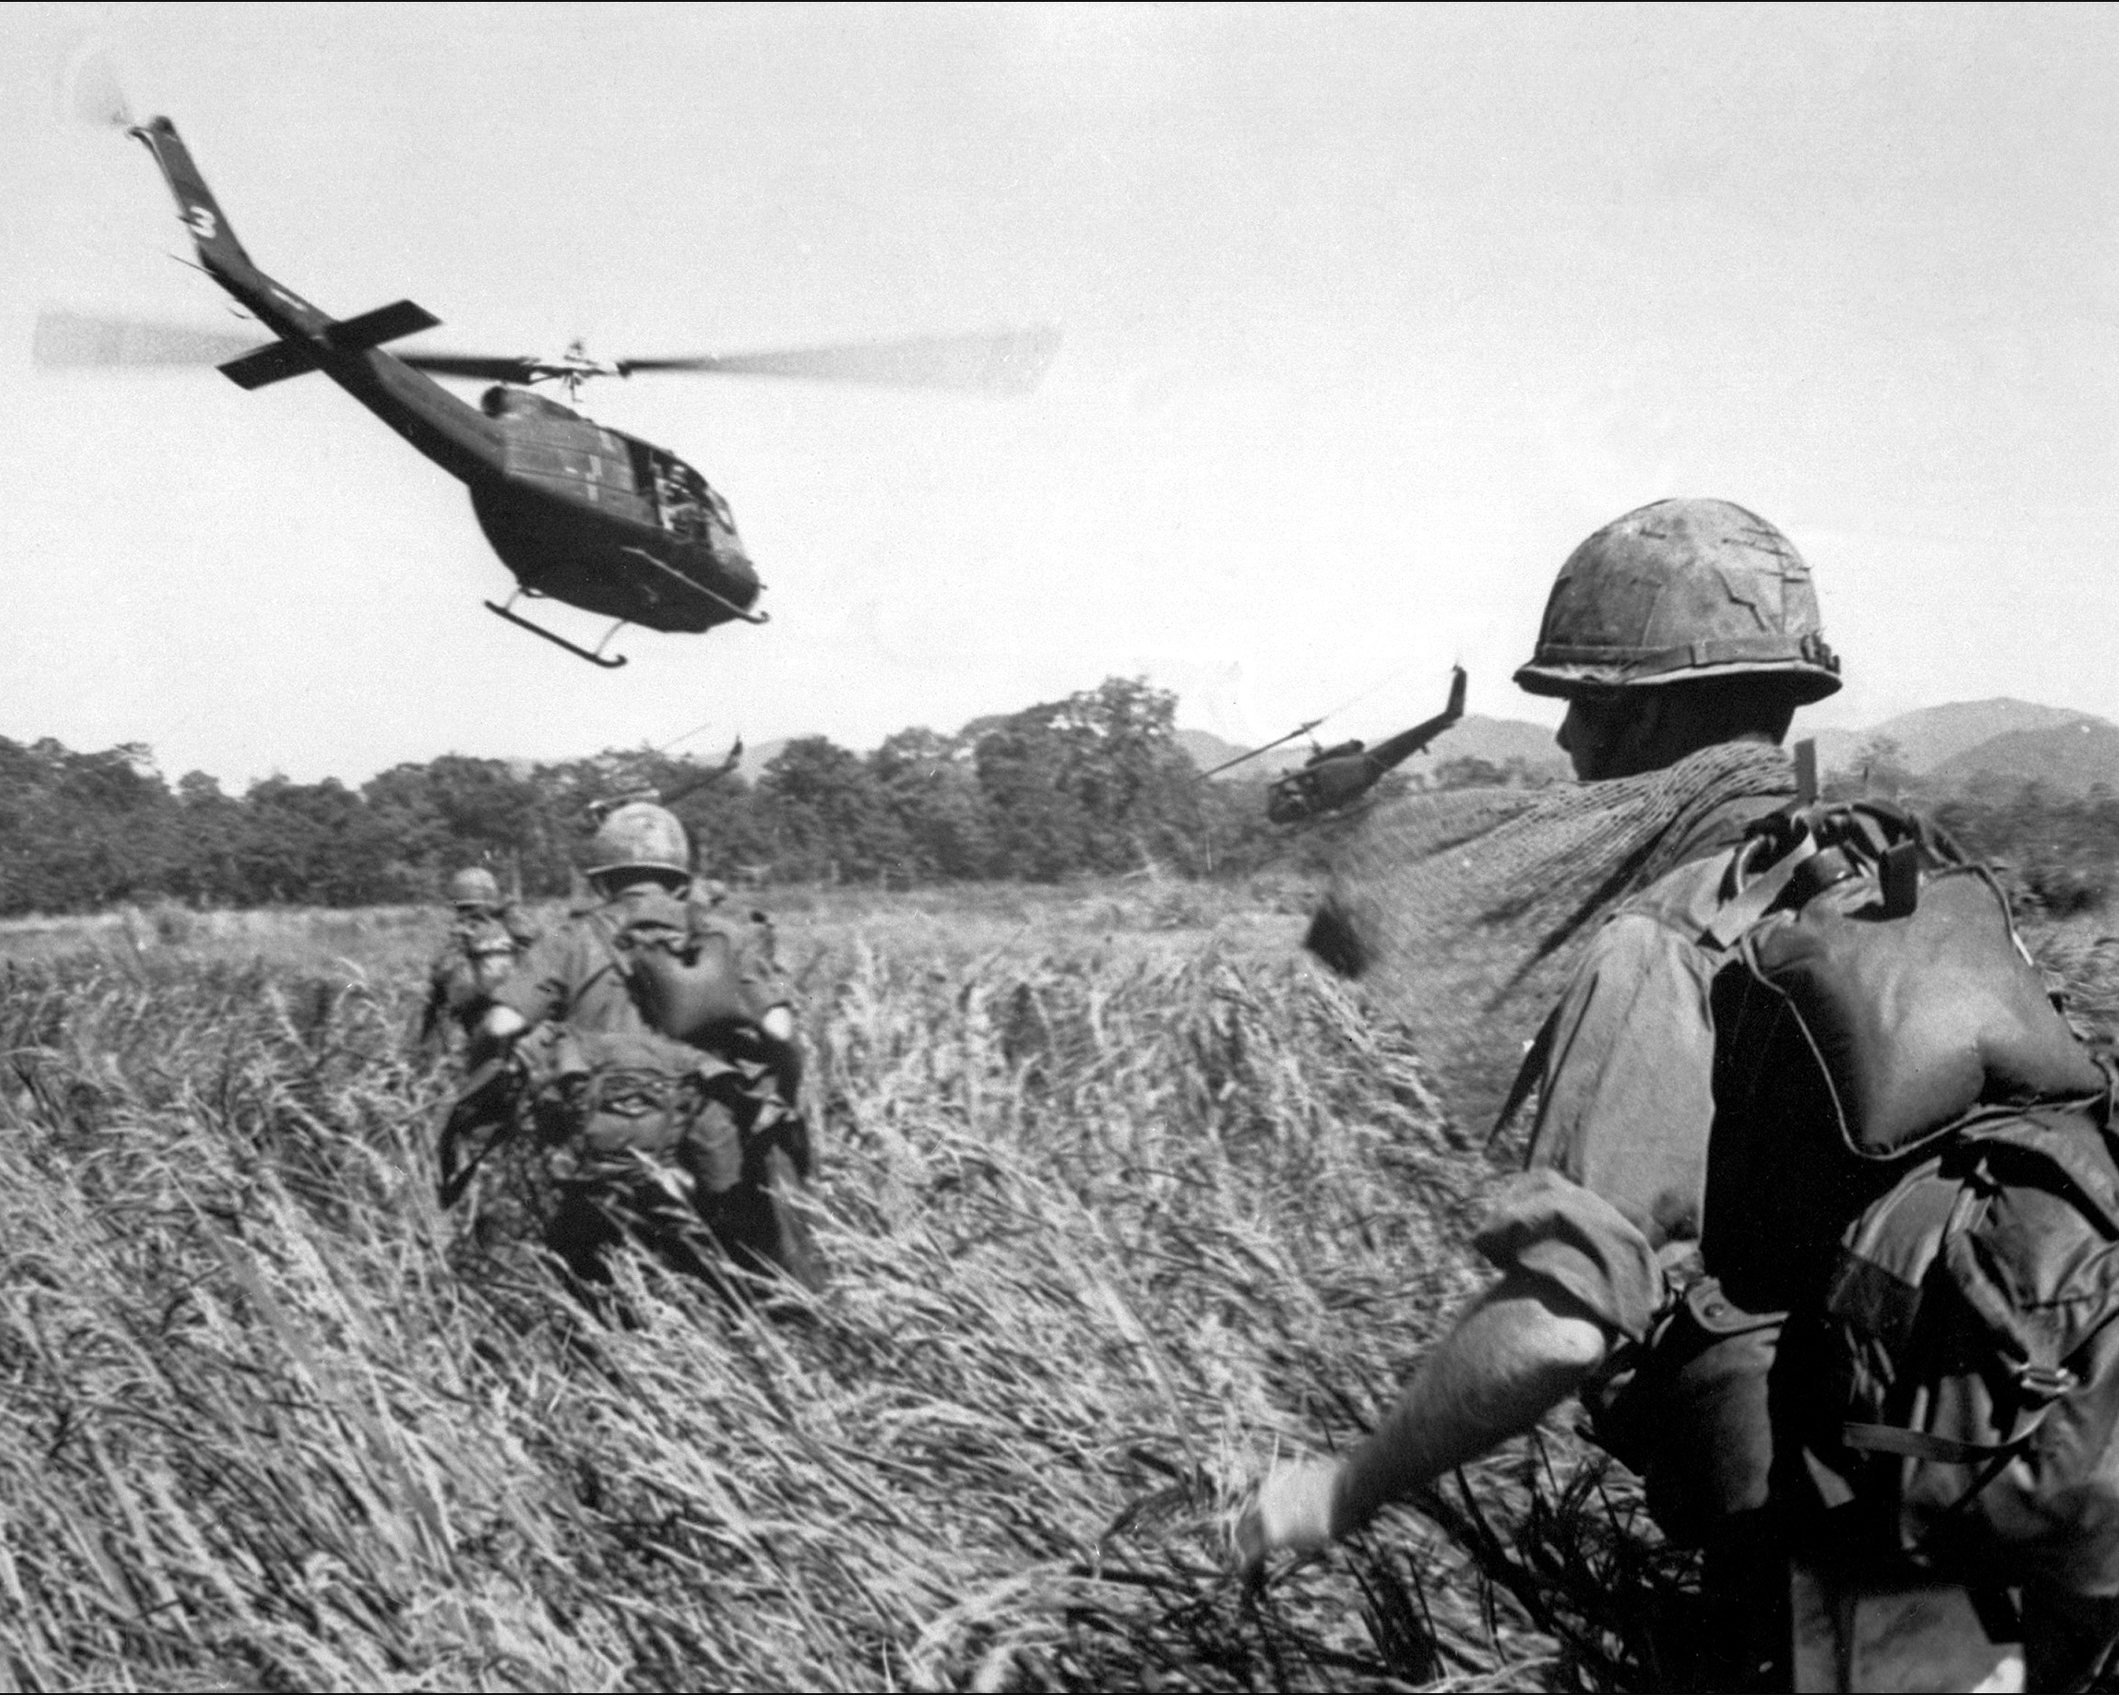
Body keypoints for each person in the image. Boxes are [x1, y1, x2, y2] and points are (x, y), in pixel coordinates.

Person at [1237, 499, 1862, 1683]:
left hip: (1861, 1563)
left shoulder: (1671, 937)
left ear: (1659, 717)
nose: (1568, 741)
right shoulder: (1905, 881)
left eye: (1588, 704)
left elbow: (1559, 1326)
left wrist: (1338, 1489)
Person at [475, 801, 821, 1294]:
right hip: (707, 1141)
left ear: (602, 880)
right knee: (738, 1278)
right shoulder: (724, 935)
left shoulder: (569, 939)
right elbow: (782, 1031)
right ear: (681, 878)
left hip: (601, 1141)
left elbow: (502, 1021)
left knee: (597, 1291)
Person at [416, 865, 538, 1062]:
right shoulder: (511, 931)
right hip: (518, 1018)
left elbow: (441, 981)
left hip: (477, 1025)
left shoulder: (459, 936)